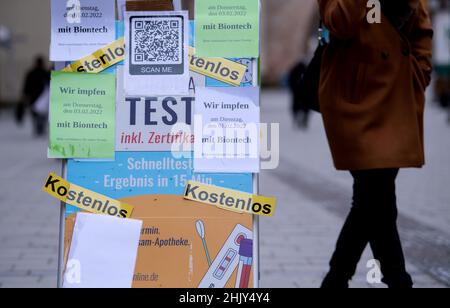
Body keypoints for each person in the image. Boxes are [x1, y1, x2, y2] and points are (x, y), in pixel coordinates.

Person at [317, 0, 433, 288]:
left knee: (374, 198)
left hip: (396, 95)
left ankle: (340, 278)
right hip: (355, 99)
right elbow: (339, 23)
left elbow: (421, 27)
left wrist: (420, 70)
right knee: (376, 197)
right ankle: (393, 279)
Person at [23, 56, 50, 136]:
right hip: (42, 98)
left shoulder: (31, 73)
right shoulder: (45, 73)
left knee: (35, 115)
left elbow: (26, 87)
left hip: (34, 97)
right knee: (42, 115)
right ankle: (40, 129)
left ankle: (38, 128)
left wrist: (25, 96)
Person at [288, 61, 310, 129]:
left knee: (297, 107)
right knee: (304, 107)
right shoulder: (306, 70)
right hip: (303, 92)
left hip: (297, 92)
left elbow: (291, 81)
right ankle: (303, 121)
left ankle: (298, 120)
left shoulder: (294, 71)